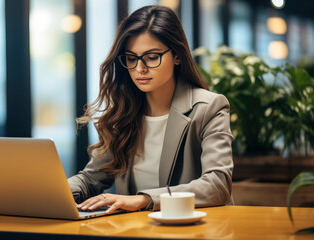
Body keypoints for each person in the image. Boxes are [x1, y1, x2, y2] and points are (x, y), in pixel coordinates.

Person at [68, 5, 233, 214]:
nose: (139, 69)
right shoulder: (124, 113)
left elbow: (217, 185)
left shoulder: (209, 108)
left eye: (152, 57)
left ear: (177, 56)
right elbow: (90, 179)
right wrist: (52, 191)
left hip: (195, 229)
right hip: (136, 231)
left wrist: (143, 199)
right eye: (131, 58)